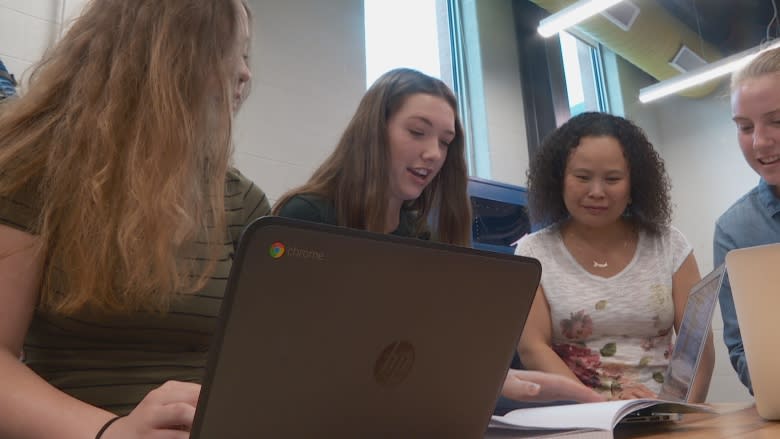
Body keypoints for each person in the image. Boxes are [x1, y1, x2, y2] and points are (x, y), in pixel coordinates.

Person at [0, 1, 270, 438]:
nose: (244, 73)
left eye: (247, 56)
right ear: (162, 53)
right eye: (227, 50)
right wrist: (112, 432)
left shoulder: (242, 202)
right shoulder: (36, 169)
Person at [273, 68, 603, 404]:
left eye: (445, 142)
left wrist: (570, 393)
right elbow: (284, 354)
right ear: (372, 132)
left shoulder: (420, 236)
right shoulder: (306, 217)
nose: (434, 153)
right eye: (417, 132)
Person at [516, 112, 714, 402]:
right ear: (559, 180)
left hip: (663, 414)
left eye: (612, 179)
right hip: (577, 414)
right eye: (582, 177)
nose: (597, 192)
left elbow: (697, 346)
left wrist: (682, 416)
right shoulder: (533, 252)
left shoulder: (670, 244)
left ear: (634, 185)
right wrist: (600, 409)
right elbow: (533, 348)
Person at [716, 46, 780, 394]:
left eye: (778, 120)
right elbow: (743, 351)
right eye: (744, 126)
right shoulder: (735, 230)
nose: (760, 141)